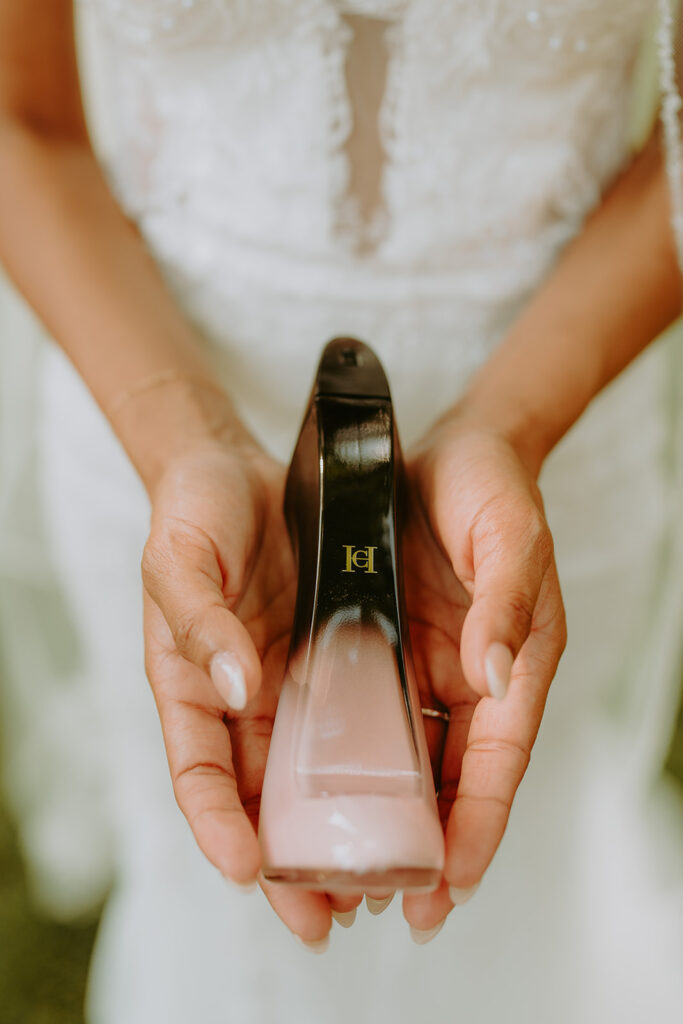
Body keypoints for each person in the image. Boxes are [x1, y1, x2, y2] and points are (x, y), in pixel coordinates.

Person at [0, 1, 682, 1022]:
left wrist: (510, 421)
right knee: (216, 931)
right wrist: (177, 437)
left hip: (538, 457)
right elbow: (24, 122)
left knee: (513, 909)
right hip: (152, 418)